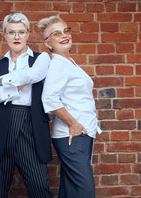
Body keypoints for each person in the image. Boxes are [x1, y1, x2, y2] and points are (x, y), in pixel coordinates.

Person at [0, 13, 53, 198]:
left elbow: (33, 75)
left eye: (21, 32)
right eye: (12, 32)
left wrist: (3, 81)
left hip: (30, 125)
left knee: (39, 188)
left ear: (28, 34)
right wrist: (15, 87)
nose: (17, 37)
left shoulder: (41, 58)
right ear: (5, 35)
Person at [38, 16, 102, 198]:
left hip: (81, 134)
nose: (64, 35)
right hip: (72, 136)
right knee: (85, 191)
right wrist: (73, 123)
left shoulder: (69, 63)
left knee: (71, 192)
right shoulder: (58, 64)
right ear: (48, 43)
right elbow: (49, 99)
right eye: (56, 33)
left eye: (66, 30)